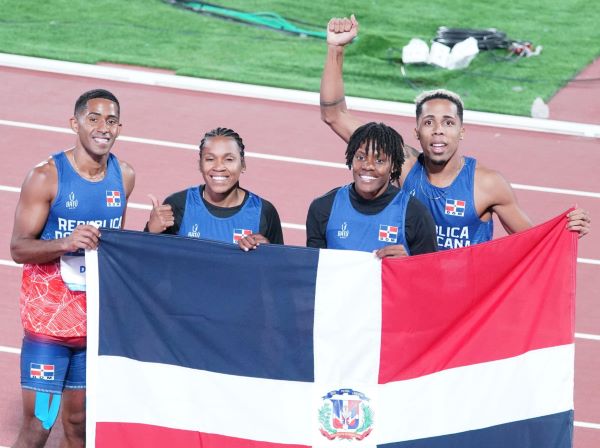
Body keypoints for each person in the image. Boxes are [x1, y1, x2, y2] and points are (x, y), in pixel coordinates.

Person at [319, 15, 591, 250]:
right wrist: (335, 49)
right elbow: (335, 115)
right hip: (411, 287)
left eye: (448, 123)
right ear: (417, 132)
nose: (438, 130)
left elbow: (534, 242)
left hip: (463, 293)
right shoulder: (404, 165)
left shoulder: (487, 184)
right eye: (429, 123)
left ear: (462, 132)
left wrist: (566, 228)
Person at [10, 89, 135, 447]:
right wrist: (65, 243)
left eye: (111, 121)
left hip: (92, 325)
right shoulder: (46, 177)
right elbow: (18, 248)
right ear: (74, 123)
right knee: (40, 424)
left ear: (119, 128)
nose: (103, 128)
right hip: (49, 328)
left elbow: (112, 246)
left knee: (80, 427)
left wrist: (152, 231)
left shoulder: (124, 176)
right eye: (93, 119)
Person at [306, 121, 437, 257]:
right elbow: (313, 267)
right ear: (351, 159)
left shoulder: (415, 215)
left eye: (379, 160)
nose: (368, 166)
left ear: (393, 166)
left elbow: (431, 269)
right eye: (361, 157)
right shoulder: (323, 208)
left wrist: (407, 264)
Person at [146, 127, 283, 250]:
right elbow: (150, 261)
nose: (218, 167)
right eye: (210, 159)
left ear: (243, 165)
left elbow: (280, 267)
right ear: (200, 165)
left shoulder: (264, 212)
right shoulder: (178, 205)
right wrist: (150, 232)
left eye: (229, 159)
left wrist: (268, 253)